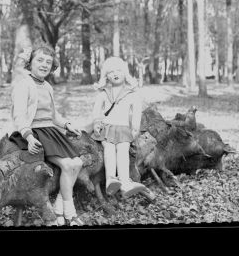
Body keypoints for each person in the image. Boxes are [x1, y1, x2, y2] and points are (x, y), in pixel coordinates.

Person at [10, 45, 84, 226]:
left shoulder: (48, 86)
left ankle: (59, 206)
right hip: (33, 132)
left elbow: (53, 116)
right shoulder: (23, 85)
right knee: (68, 164)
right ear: (30, 63)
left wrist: (67, 125)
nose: (44, 65)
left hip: (49, 131)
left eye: (49, 62)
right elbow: (18, 115)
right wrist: (28, 137)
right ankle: (70, 213)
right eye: (40, 60)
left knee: (78, 162)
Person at [91, 56, 153, 199]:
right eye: (111, 72)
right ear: (106, 76)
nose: (115, 74)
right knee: (109, 149)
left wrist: (135, 127)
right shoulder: (103, 93)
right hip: (107, 128)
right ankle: (111, 179)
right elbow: (96, 111)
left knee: (123, 150)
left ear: (125, 72)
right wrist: (96, 123)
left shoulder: (131, 94)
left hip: (124, 128)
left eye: (119, 70)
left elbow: (136, 111)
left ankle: (124, 182)